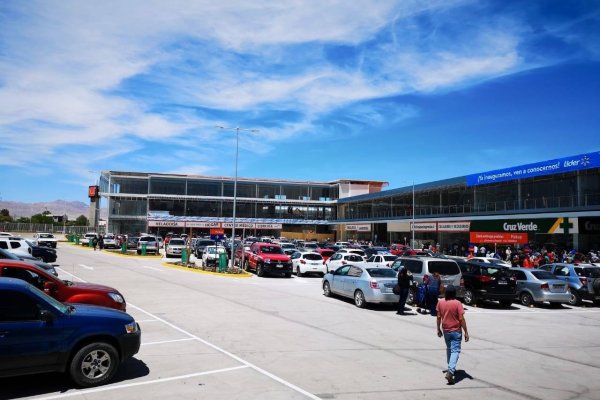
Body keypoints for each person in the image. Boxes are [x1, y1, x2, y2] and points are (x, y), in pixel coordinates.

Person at [436, 285, 469, 385]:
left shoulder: (441, 302)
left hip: (446, 331)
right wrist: (466, 332)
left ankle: (450, 366)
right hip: (456, 331)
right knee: (455, 351)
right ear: (454, 293)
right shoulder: (457, 303)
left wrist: (438, 329)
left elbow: (438, 317)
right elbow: (461, 319)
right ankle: (450, 371)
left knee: (449, 349)